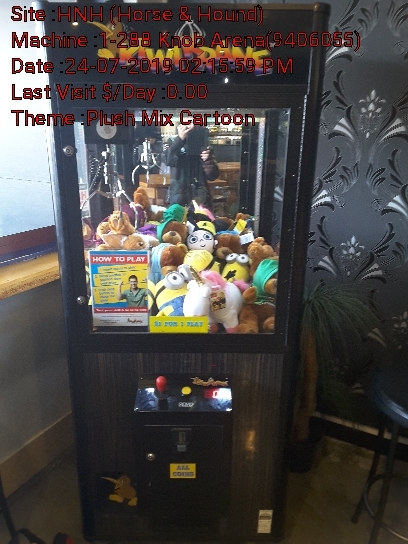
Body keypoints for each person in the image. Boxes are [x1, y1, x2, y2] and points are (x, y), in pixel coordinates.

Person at [166, 123, 218, 209]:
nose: (192, 126)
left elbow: (212, 176)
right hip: (179, 196)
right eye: (188, 122)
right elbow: (169, 161)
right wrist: (179, 140)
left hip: (200, 198)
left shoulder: (204, 143)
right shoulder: (172, 142)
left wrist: (207, 161)